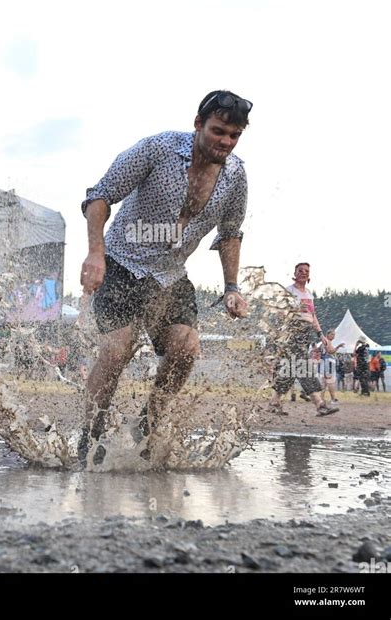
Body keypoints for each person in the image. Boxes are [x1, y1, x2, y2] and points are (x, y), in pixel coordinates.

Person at [78, 90, 253, 466]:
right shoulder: (157, 149)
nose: (225, 142)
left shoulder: (236, 176)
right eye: (218, 131)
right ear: (198, 124)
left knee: (186, 348)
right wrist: (95, 254)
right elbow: (99, 197)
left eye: (234, 135)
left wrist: (232, 288)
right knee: (117, 350)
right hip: (123, 263)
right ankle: (87, 438)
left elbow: (230, 233)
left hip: (171, 276)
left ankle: (147, 427)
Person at [269, 263, 339, 417]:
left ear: (309, 275)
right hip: (293, 331)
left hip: (306, 334)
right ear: (294, 273)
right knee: (303, 366)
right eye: (300, 270)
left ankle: (274, 402)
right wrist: (292, 313)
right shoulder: (289, 290)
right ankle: (320, 404)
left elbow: (313, 317)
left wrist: (321, 334)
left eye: (306, 271)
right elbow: (279, 311)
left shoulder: (309, 294)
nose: (303, 273)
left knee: (289, 368)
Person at [319, 329, 345, 404]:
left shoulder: (323, 342)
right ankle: (333, 399)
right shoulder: (327, 341)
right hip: (328, 361)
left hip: (324, 361)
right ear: (328, 334)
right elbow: (331, 351)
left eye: (334, 334)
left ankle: (321, 398)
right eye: (332, 334)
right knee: (330, 381)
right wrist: (338, 346)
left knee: (324, 381)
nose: (334, 336)